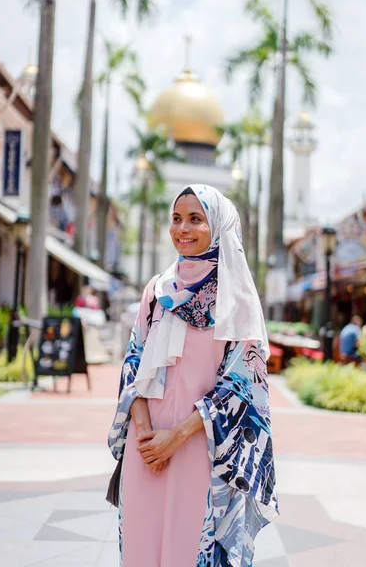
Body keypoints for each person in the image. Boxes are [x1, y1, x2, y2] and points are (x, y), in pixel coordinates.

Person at [108, 185, 279, 567]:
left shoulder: (236, 299)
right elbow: (133, 362)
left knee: (188, 550)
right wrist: (146, 434)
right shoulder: (157, 291)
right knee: (140, 548)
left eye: (196, 219)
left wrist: (176, 436)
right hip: (146, 445)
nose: (182, 229)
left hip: (200, 450)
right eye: (176, 218)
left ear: (217, 226)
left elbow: (241, 386)